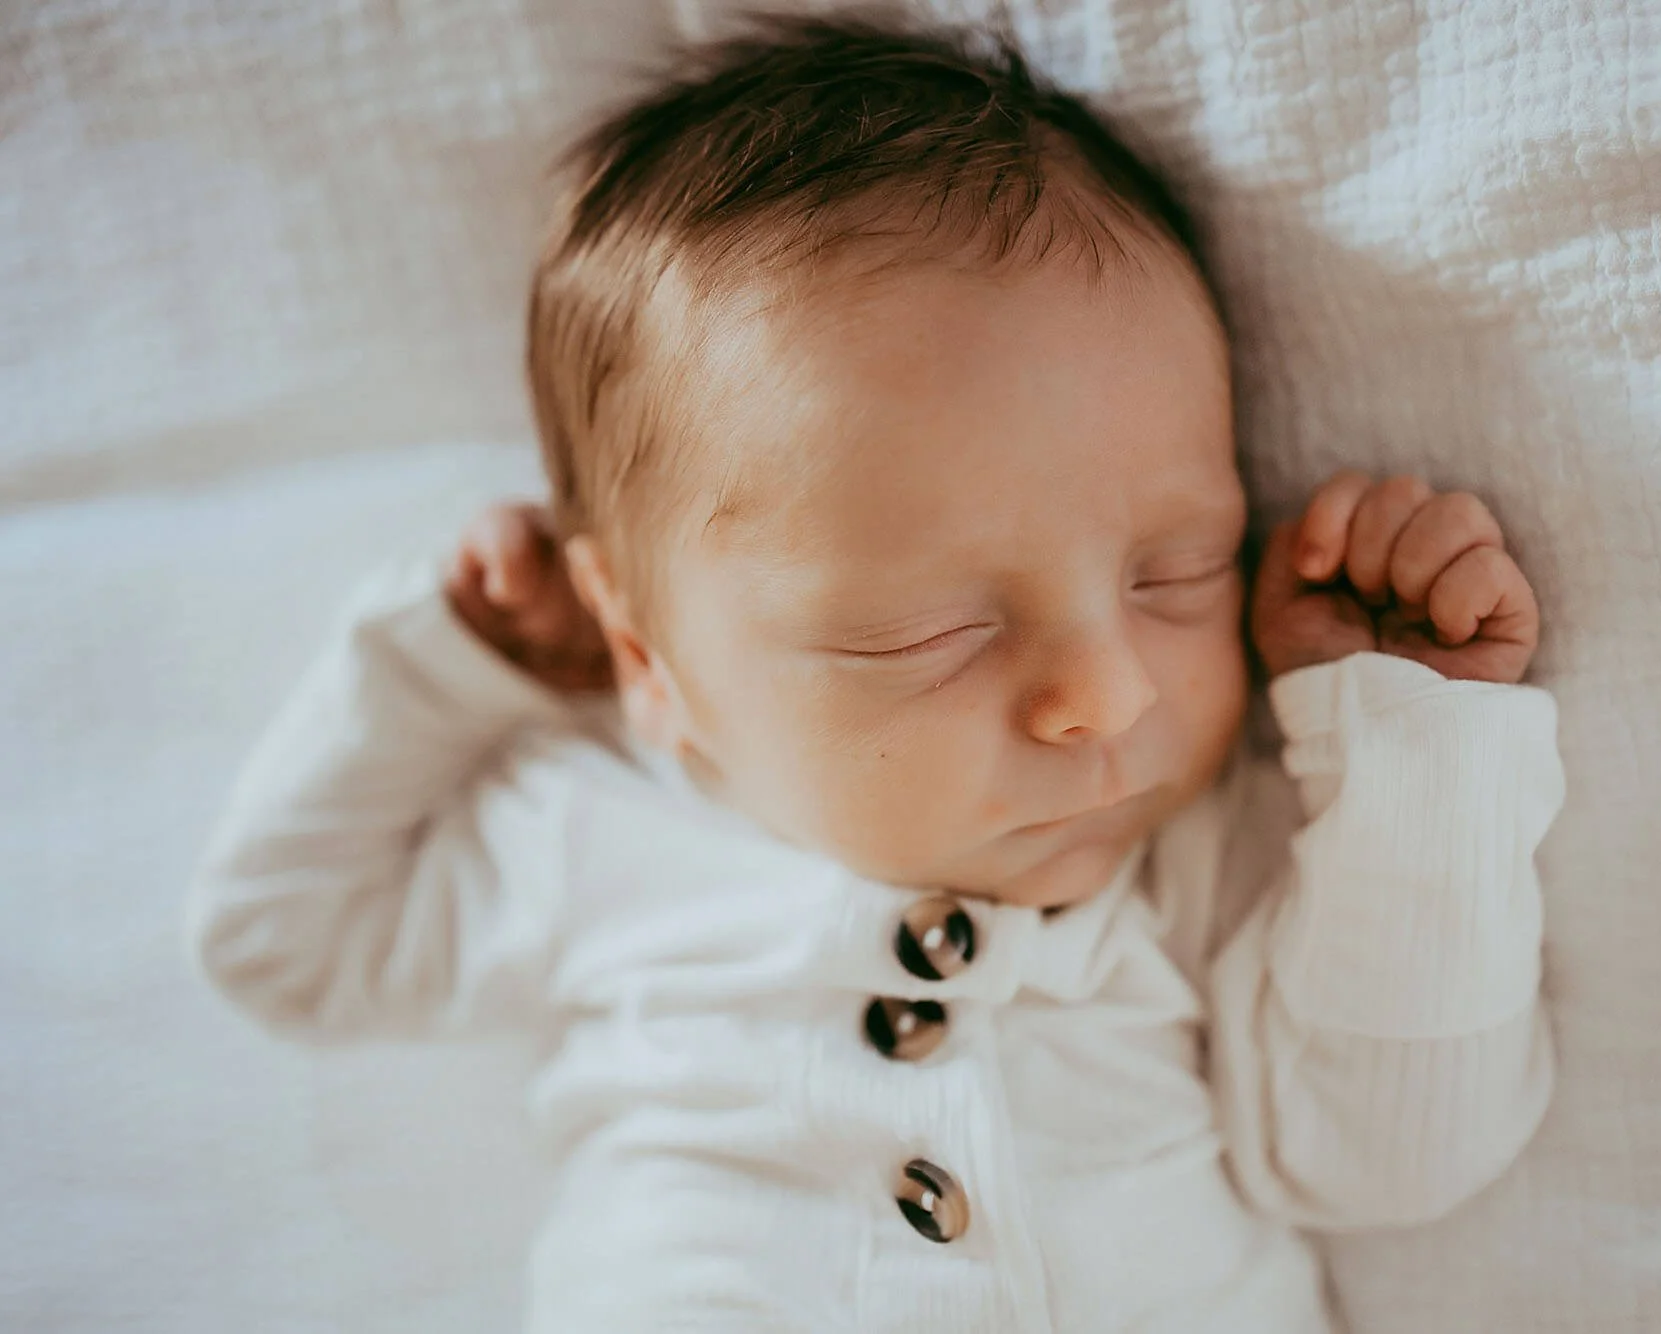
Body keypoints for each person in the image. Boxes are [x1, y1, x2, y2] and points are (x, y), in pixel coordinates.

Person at [189, 18, 1563, 1331]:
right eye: (928, 633)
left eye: (1177, 574)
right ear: (642, 653)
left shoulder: (1204, 853)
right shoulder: (601, 835)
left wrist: (1405, 748)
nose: (1110, 696)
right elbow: (280, 941)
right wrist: (452, 664)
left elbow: (1390, 1158)